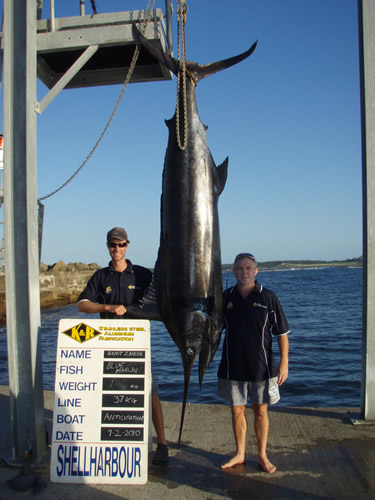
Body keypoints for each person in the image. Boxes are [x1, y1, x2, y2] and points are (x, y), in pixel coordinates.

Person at [77, 226, 168, 466]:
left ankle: (162, 444)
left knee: (151, 392)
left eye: (121, 244)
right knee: (109, 392)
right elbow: (82, 305)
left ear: (128, 245)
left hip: (138, 344)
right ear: (108, 246)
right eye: (112, 245)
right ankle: (111, 439)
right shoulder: (100, 276)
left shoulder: (142, 274)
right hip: (107, 345)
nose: (116, 249)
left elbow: (163, 294)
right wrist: (107, 307)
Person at [217, 252, 290, 473]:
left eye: (248, 268)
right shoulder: (226, 297)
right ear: (234, 271)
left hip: (262, 368)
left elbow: (282, 333)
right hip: (232, 366)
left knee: (260, 411)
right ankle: (240, 453)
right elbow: (213, 327)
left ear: (256, 271)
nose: (244, 272)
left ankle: (262, 455)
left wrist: (284, 362)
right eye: (239, 268)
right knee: (237, 411)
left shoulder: (268, 297)